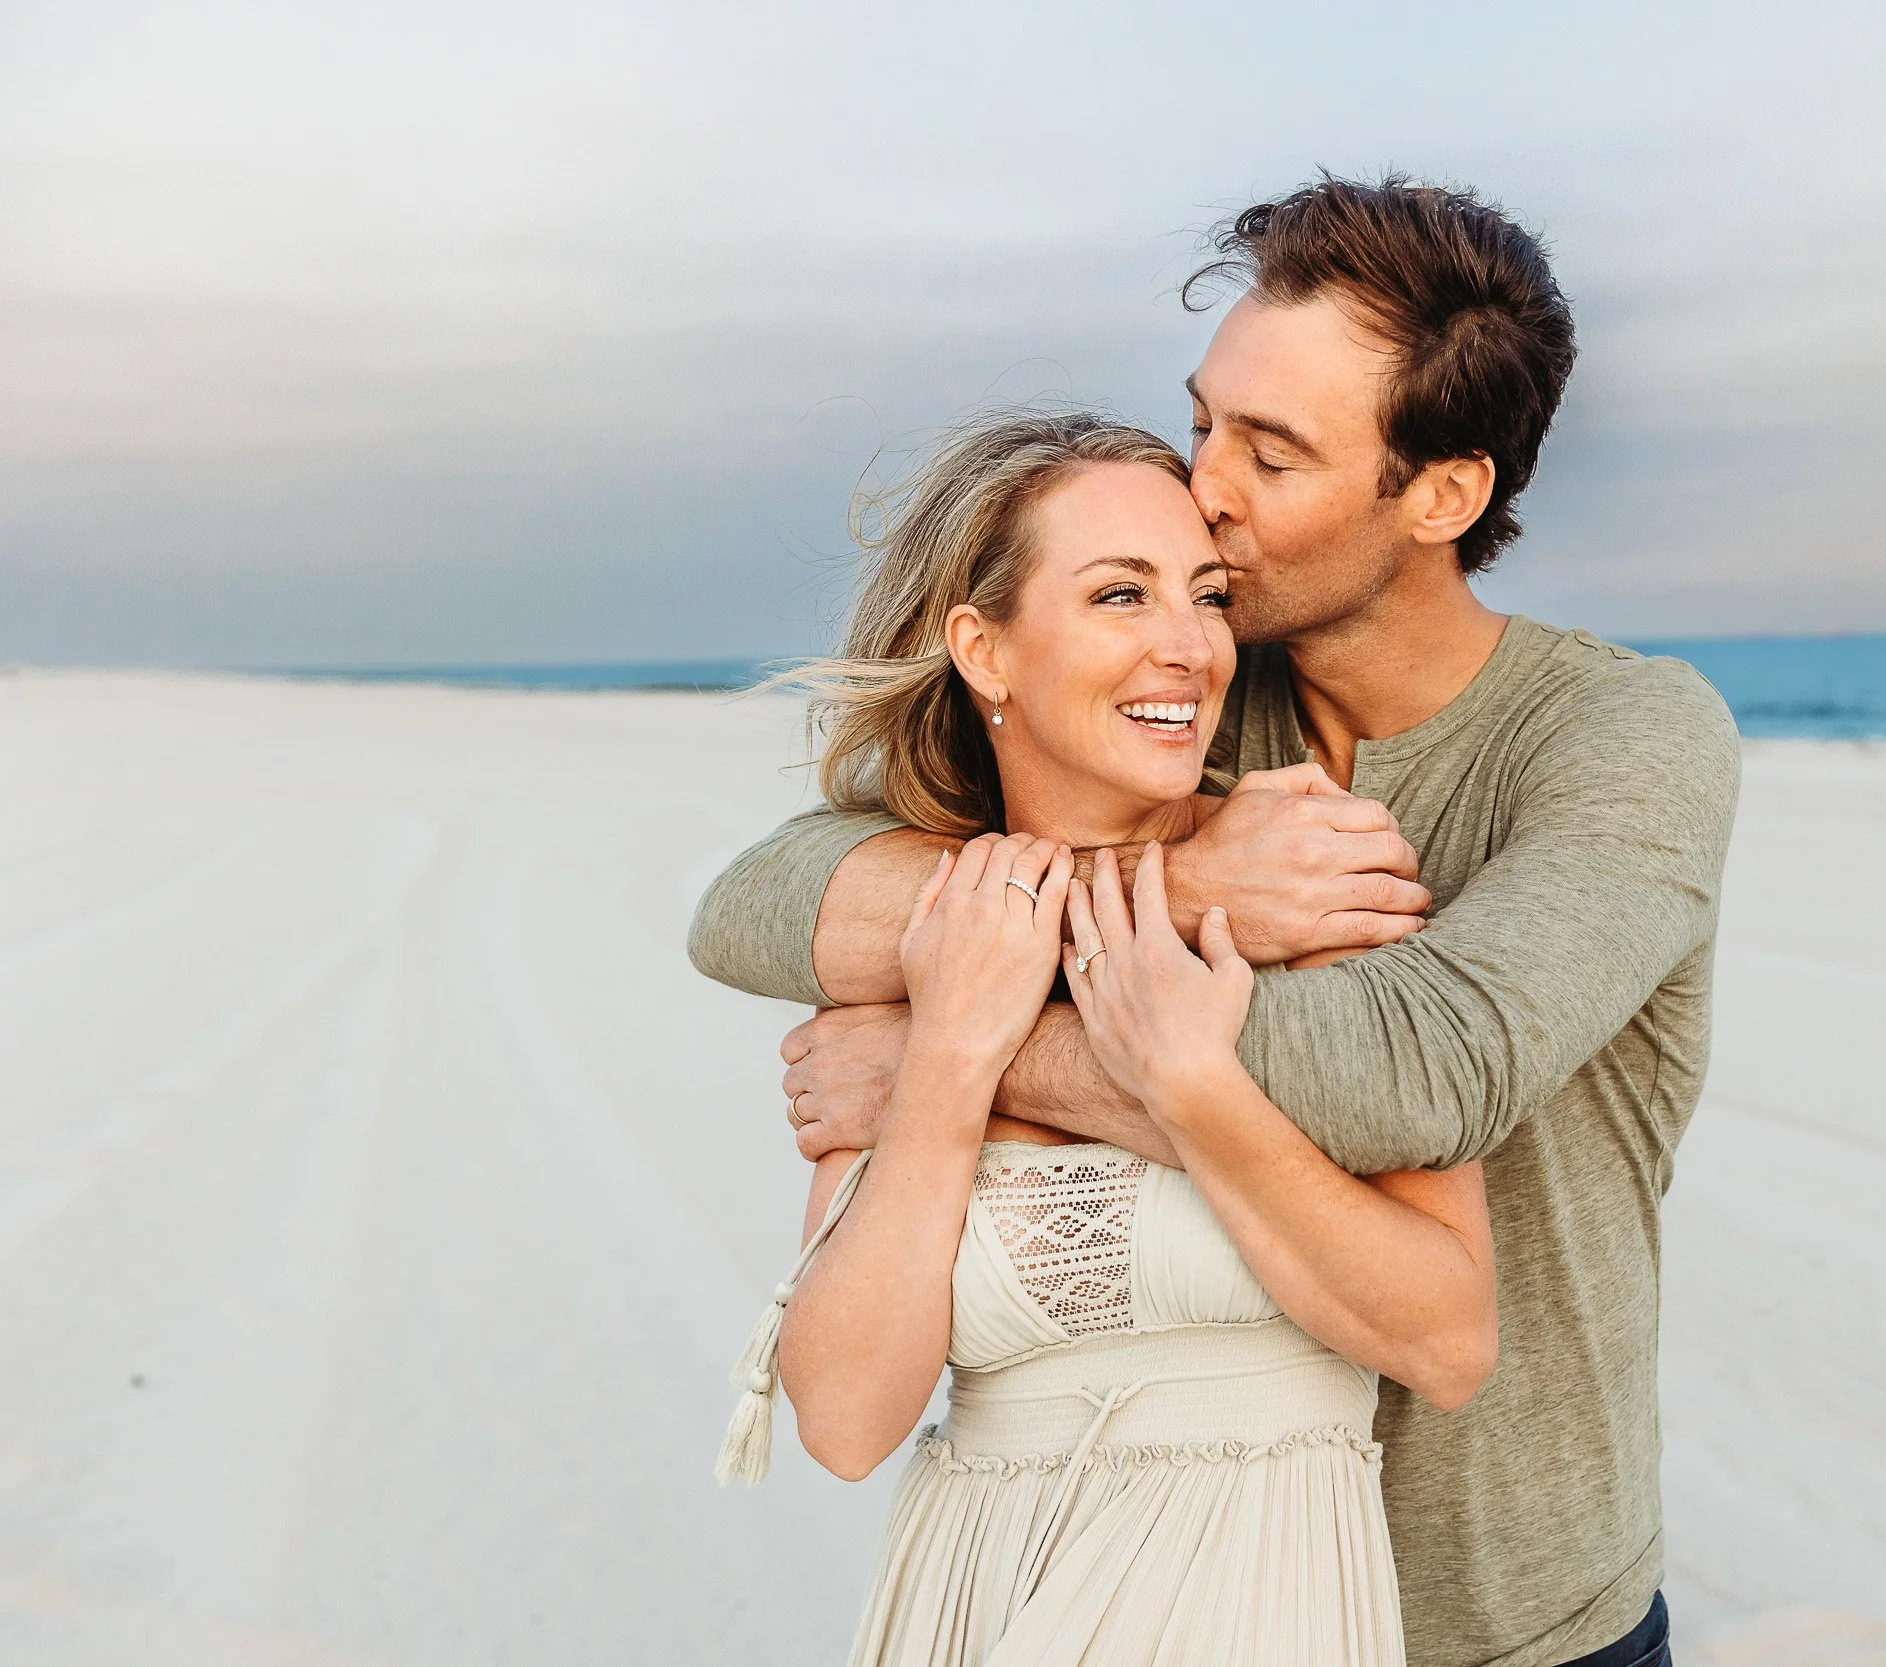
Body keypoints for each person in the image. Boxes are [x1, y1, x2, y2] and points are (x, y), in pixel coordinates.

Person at [694, 176, 1740, 1667]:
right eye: (1205, 422)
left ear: (1439, 492)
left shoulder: (1622, 735)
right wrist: (1175, 891)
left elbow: (1417, 1070)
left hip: (1500, 1609)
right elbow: (763, 905)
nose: (1209, 487)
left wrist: (975, 1045)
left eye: (1273, 449)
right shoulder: (1184, 688)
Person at [717, 413, 1497, 1667]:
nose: (1188, 648)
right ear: (984, 648)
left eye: (1204, 595)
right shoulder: (926, 942)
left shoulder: (1309, 884)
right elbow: (849, 1421)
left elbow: (1449, 1341)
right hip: (979, 1597)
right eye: (1120, 594)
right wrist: (951, 1057)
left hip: (1263, 1595)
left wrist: (1188, 1083)